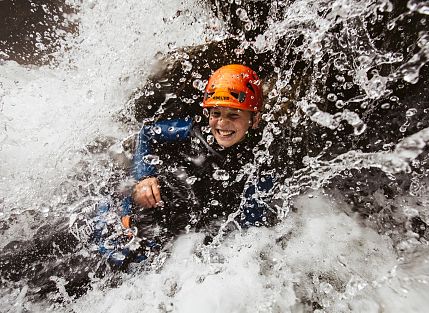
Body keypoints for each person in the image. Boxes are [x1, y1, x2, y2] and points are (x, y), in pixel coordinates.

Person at [0, 64, 277, 299]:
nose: (221, 123)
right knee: (34, 251)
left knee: (55, 288)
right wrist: (144, 177)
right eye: (216, 113)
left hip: (153, 243)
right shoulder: (192, 132)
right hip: (123, 215)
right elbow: (148, 133)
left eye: (233, 115)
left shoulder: (262, 164)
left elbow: (247, 226)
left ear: (254, 119)